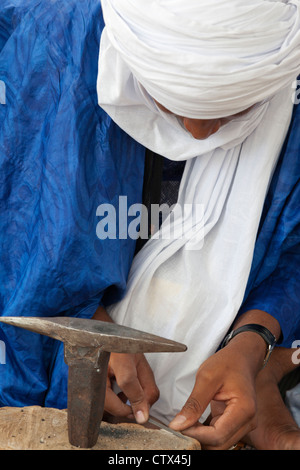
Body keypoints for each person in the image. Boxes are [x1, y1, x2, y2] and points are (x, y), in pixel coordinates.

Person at [0, 0, 299, 451]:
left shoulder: (281, 58)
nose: (199, 133)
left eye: (233, 108)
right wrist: (89, 330)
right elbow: (20, 224)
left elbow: (291, 245)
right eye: (171, 100)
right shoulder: (52, 40)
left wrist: (252, 346)